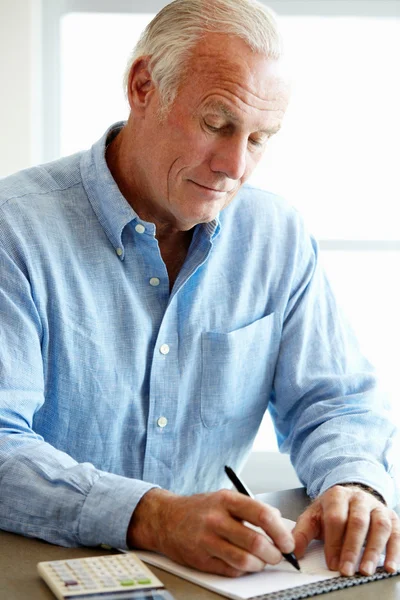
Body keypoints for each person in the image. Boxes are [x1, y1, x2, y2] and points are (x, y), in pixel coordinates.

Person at [0, 0, 399, 581]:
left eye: (260, 138)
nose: (234, 165)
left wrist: (354, 482)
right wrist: (154, 517)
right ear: (142, 87)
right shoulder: (13, 230)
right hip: (30, 571)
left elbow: (333, 401)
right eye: (217, 124)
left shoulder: (276, 236)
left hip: (210, 579)